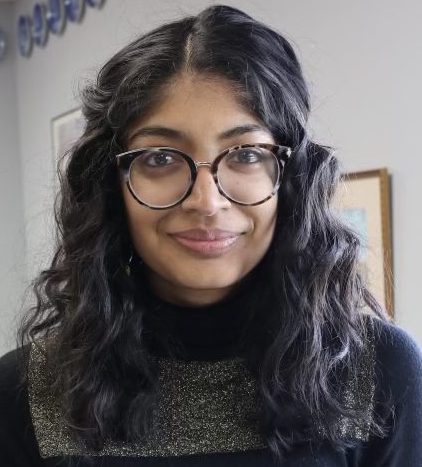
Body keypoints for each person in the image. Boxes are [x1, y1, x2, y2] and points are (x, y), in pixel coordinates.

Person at [1, 4, 421, 467]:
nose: (206, 201)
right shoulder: (28, 392)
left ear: (291, 177)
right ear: (111, 184)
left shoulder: (378, 369)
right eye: (160, 158)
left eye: (245, 154)